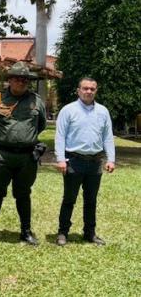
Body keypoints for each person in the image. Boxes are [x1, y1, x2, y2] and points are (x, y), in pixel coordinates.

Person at [0, 61, 47, 245]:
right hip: (2, 155)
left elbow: (40, 125)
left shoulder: (36, 101)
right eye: (17, 78)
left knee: (24, 194)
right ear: (9, 80)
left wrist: (25, 138)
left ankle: (25, 231)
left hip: (26, 157)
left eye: (25, 79)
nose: (21, 82)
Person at [54, 77, 115, 246]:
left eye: (92, 89)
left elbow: (107, 137)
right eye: (85, 88)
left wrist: (111, 159)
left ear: (96, 91)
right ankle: (62, 232)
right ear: (78, 90)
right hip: (74, 161)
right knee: (69, 199)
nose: (88, 91)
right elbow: (60, 136)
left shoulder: (103, 111)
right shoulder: (68, 110)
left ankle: (90, 233)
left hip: (95, 163)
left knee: (91, 200)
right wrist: (60, 159)